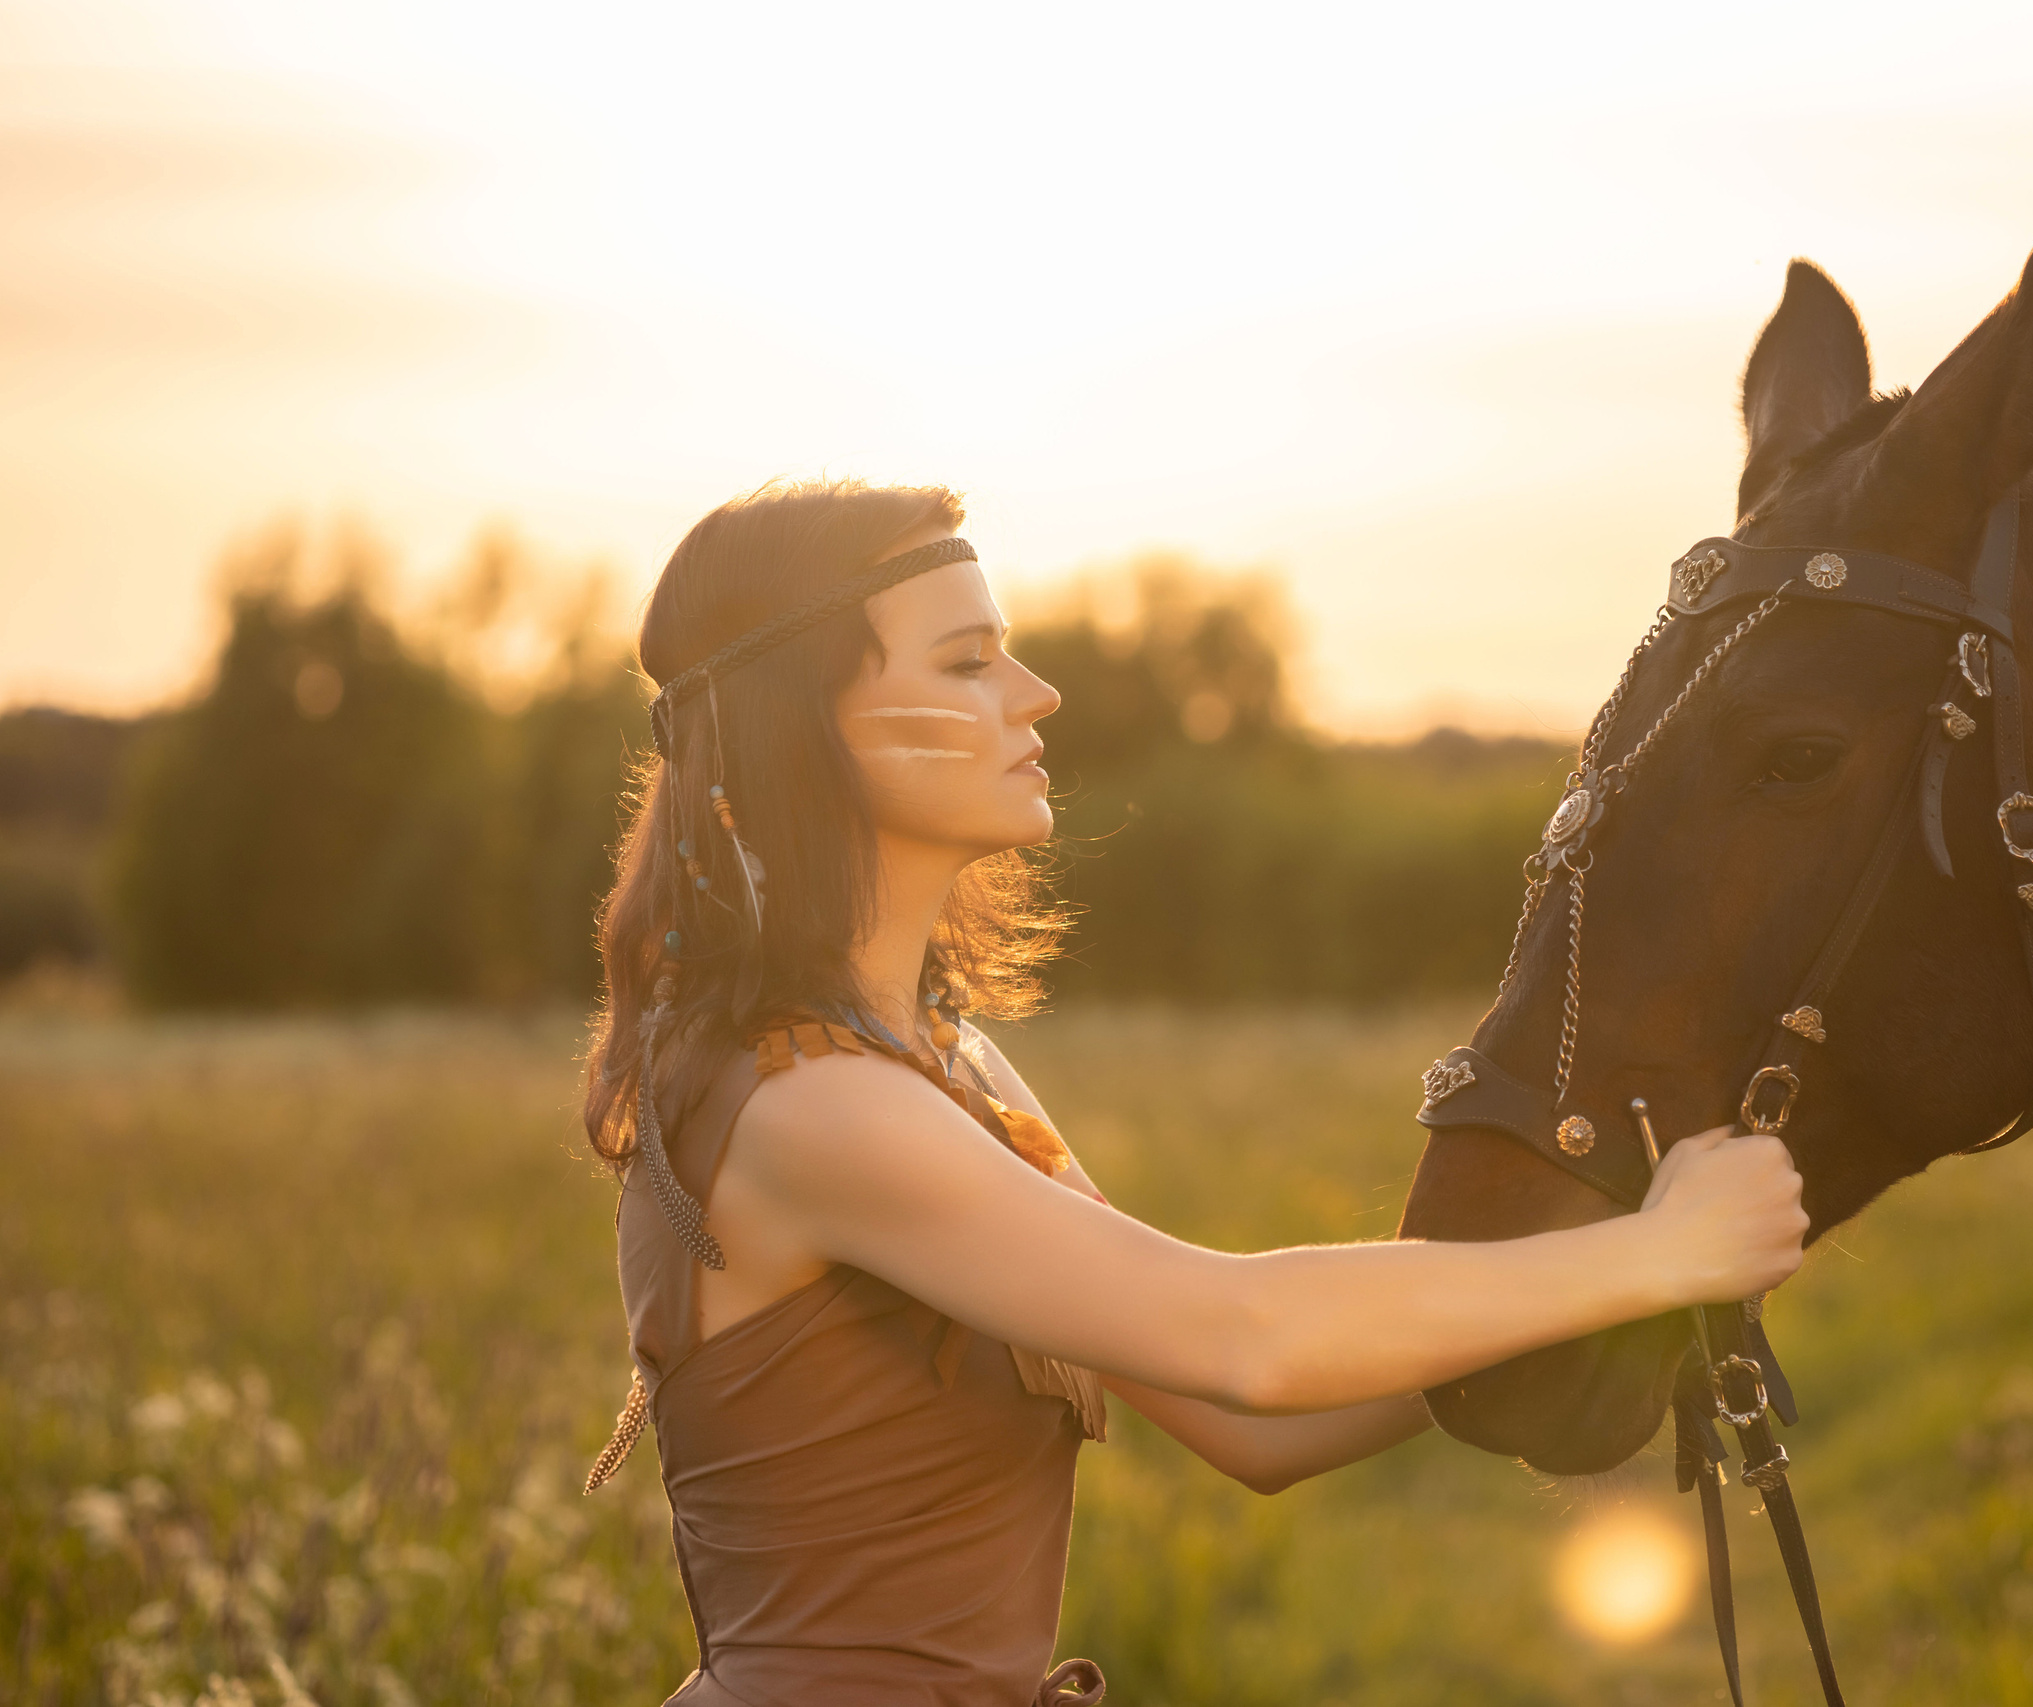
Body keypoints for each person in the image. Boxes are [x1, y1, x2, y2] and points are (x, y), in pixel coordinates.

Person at [581, 479, 1809, 1706]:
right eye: (967, 663)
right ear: (807, 729)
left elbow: (1254, 1432)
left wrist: (1590, 1301)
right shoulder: (812, 1109)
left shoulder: (945, 1069)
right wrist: (1659, 1255)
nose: (1035, 694)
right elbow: (1245, 1340)